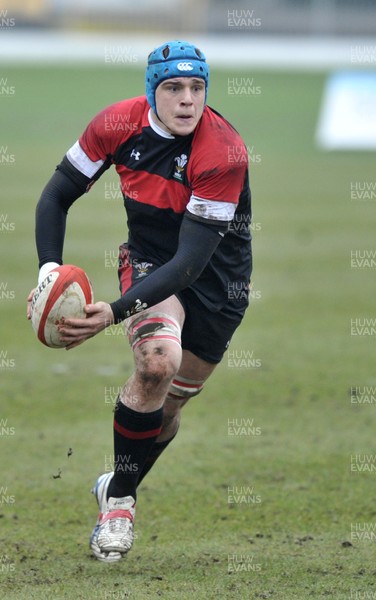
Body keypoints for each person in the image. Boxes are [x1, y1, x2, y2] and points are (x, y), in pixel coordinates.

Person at [27, 40, 253, 563]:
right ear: (153, 91)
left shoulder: (221, 151)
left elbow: (193, 263)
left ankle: (115, 484)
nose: (187, 100)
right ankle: (122, 507)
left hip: (218, 284)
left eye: (197, 88)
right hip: (152, 265)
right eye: (173, 88)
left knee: (171, 404)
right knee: (156, 366)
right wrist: (49, 272)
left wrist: (111, 310)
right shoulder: (115, 125)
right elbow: (57, 194)